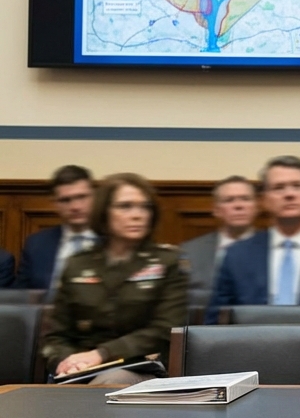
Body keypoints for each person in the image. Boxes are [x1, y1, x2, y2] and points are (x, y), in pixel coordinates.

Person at [41, 173, 186, 385]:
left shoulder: (167, 262)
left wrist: (102, 353)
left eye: (144, 207)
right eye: (125, 206)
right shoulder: (78, 263)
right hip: (82, 369)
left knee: (109, 382)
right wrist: (65, 361)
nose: (137, 215)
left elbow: (165, 330)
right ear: (104, 213)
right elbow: (55, 335)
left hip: (140, 367)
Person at [206, 156, 300, 323]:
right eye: (278, 188)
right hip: (250, 346)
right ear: (264, 200)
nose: (289, 194)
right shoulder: (237, 255)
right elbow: (217, 320)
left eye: (297, 186)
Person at [14, 165, 97, 300]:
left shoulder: (112, 240)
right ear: (55, 204)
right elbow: (21, 299)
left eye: (82, 197)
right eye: (65, 200)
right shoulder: (36, 244)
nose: (75, 207)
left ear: (94, 197)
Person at [178, 175, 258, 305]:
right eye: (229, 200)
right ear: (216, 210)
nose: (238, 206)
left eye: (245, 199)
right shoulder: (189, 252)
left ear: (256, 207)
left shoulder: (274, 249)